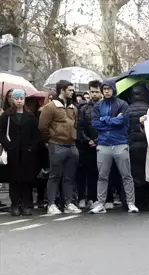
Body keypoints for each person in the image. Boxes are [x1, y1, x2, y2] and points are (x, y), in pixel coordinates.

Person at [88, 80, 138, 214]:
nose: (106, 91)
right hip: (104, 144)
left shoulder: (122, 104)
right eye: (104, 89)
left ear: (114, 90)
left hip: (120, 143)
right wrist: (113, 121)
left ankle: (131, 203)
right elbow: (95, 123)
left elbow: (122, 121)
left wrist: (105, 119)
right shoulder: (98, 105)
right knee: (102, 176)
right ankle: (100, 203)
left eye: (109, 89)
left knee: (126, 175)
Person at [38, 79, 82, 215]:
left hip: (71, 145)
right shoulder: (50, 107)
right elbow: (42, 126)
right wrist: (49, 140)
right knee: (54, 176)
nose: (72, 92)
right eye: (69, 89)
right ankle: (51, 204)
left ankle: (68, 203)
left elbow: (76, 125)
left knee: (69, 177)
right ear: (62, 90)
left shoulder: (73, 107)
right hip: (56, 144)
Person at [0, 89, 39, 216]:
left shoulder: (31, 116)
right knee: (14, 179)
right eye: (16, 98)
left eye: (21, 98)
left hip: (27, 152)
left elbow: (35, 134)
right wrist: (8, 145)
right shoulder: (7, 115)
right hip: (13, 152)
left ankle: (26, 204)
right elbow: (1, 132)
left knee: (27, 179)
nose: (19, 101)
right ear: (12, 100)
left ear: (24, 100)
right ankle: (15, 204)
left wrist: (31, 147)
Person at [76, 80, 101, 209]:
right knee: (86, 172)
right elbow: (80, 126)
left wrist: (97, 140)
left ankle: (96, 197)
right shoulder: (83, 108)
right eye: (92, 91)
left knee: (98, 173)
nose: (94, 94)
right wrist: (88, 140)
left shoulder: (105, 107)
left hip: (101, 143)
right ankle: (85, 197)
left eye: (97, 91)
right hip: (86, 145)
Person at [127, 83, 149, 209]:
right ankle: (148, 201)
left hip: (132, 146)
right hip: (147, 146)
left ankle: (134, 201)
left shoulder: (127, 109)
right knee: (146, 173)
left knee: (132, 174)